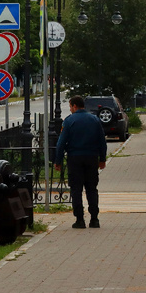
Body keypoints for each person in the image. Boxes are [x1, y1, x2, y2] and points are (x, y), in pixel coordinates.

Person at [55, 95, 107, 229]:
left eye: (70, 107)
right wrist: (102, 159)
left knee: (76, 189)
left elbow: (61, 143)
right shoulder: (95, 120)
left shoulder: (69, 121)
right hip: (91, 158)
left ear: (74, 106)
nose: (70, 110)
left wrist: (58, 161)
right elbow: (102, 141)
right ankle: (94, 219)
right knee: (92, 189)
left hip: (75, 159)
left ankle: (79, 219)